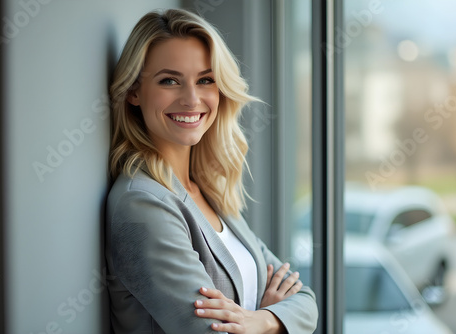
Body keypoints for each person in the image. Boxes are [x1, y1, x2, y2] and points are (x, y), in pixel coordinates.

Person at [105, 8, 318, 334]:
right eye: (170, 81)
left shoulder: (207, 191)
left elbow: (305, 300)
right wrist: (273, 319)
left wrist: (259, 320)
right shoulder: (143, 204)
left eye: (206, 80)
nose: (192, 99)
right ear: (134, 91)